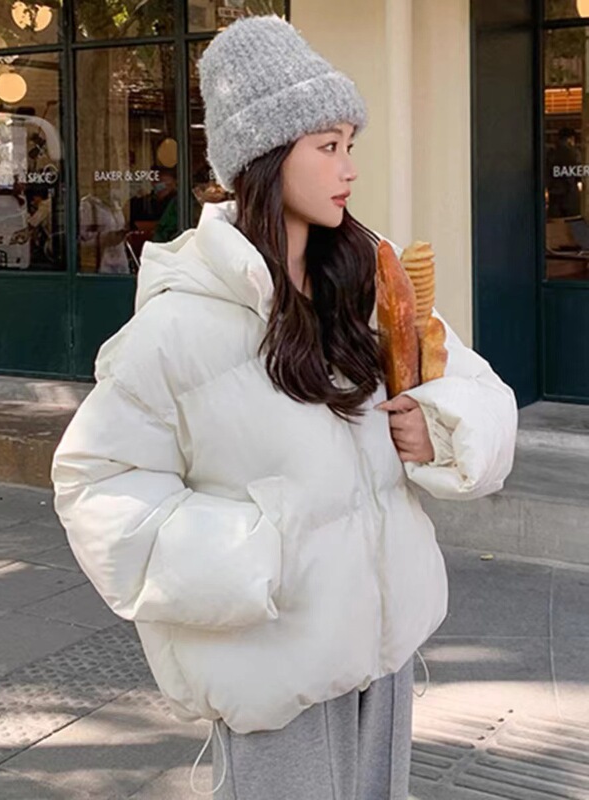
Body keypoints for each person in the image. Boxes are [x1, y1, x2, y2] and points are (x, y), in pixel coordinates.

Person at [51, 15, 518, 800]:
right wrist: (254, 555)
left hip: (384, 654)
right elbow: (96, 488)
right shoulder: (176, 328)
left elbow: (483, 392)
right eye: (327, 146)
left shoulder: (365, 285)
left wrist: (441, 429)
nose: (349, 169)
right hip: (275, 674)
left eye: (350, 145)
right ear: (264, 158)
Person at [546, 126, 581, 219]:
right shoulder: (574, 153)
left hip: (554, 195)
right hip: (570, 194)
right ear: (571, 139)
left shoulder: (551, 153)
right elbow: (579, 173)